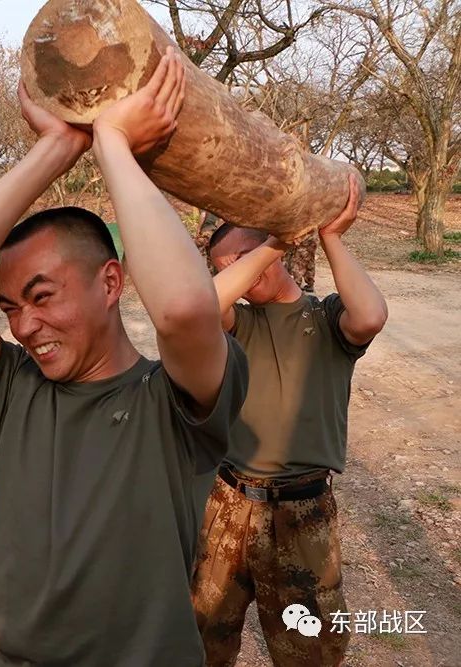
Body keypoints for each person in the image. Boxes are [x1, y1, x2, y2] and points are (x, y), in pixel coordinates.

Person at [0, 49, 248, 665]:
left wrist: (114, 144)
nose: (24, 326)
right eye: (9, 306)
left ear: (111, 284)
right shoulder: (13, 392)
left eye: (42, 297)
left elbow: (184, 312)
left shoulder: (172, 401)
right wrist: (59, 146)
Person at [191, 177, 388, 666]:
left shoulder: (325, 318)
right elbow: (201, 307)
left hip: (304, 513)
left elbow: (371, 316)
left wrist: (330, 236)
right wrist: (274, 241)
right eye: (224, 269)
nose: (237, 274)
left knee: (309, 651)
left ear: (274, 252)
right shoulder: (238, 323)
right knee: (200, 637)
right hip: (228, 504)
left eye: (242, 258)